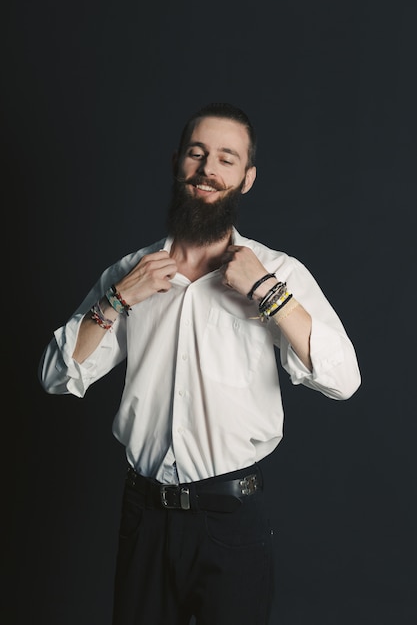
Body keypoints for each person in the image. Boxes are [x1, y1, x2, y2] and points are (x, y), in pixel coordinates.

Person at [39, 102, 361, 625]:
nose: (208, 169)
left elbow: (344, 380)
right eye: (197, 153)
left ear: (246, 179)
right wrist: (117, 301)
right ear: (177, 163)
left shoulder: (277, 272)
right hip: (143, 517)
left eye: (226, 159)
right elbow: (55, 376)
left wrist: (265, 292)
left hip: (231, 520)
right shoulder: (129, 273)